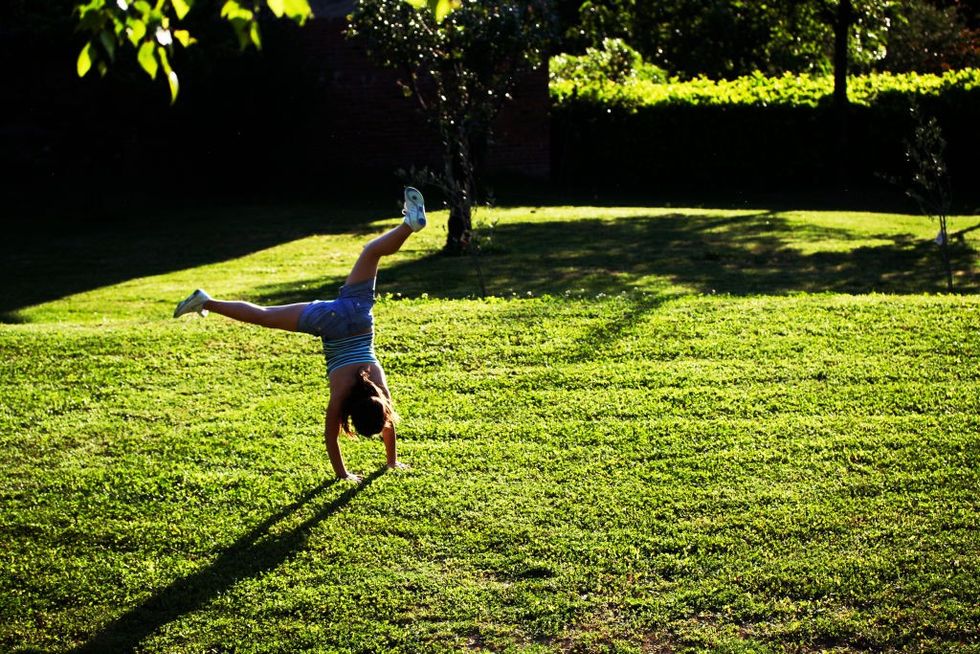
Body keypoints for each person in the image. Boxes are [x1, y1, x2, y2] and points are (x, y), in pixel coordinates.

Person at [173, 187, 428, 482]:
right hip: (329, 324)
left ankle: (408, 225)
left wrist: (390, 462)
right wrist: (346, 474)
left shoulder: (378, 391)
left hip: (357, 316)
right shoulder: (342, 393)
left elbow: (385, 422)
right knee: (264, 316)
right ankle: (204, 301)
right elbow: (331, 438)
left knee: (372, 252)